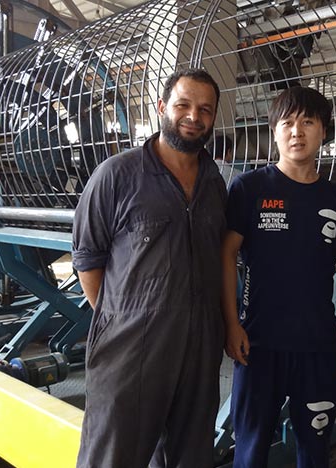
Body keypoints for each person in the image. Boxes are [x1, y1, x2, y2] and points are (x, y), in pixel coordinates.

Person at [71, 68, 227, 468]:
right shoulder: (116, 175)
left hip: (200, 346)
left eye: (205, 110)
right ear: (162, 107)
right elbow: (88, 260)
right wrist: (125, 318)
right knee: (113, 454)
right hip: (130, 346)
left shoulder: (215, 182)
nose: (193, 116)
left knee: (191, 455)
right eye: (183, 105)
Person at [221, 86, 336, 468]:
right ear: (274, 132)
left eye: (308, 122)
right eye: (287, 123)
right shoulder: (249, 188)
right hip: (258, 346)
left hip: (316, 347)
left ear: (323, 131)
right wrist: (231, 324)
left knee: (315, 453)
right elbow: (226, 255)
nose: (297, 132)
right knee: (250, 451)